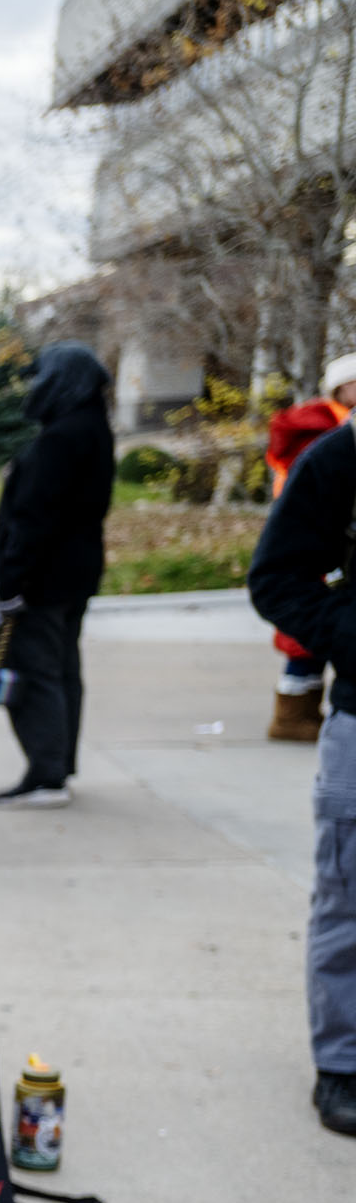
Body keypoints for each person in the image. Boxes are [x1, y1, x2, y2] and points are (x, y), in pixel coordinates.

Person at [244, 403, 356, 1134]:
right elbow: (277, 576)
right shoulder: (338, 460)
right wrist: (347, 635)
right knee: (349, 897)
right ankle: (343, 1064)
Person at [0, 342, 116, 808]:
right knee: (61, 669)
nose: (36, 387)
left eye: (43, 377)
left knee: (35, 671)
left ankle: (46, 773)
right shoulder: (92, 429)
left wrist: (10, 585)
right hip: (73, 575)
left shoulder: (61, 439)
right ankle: (56, 767)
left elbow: (34, 520)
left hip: (42, 579)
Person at [261, 354, 355, 741]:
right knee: (306, 638)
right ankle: (292, 716)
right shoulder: (329, 433)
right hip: (317, 542)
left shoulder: (323, 424)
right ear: (340, 388)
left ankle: (298, 711)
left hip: (313, 539)